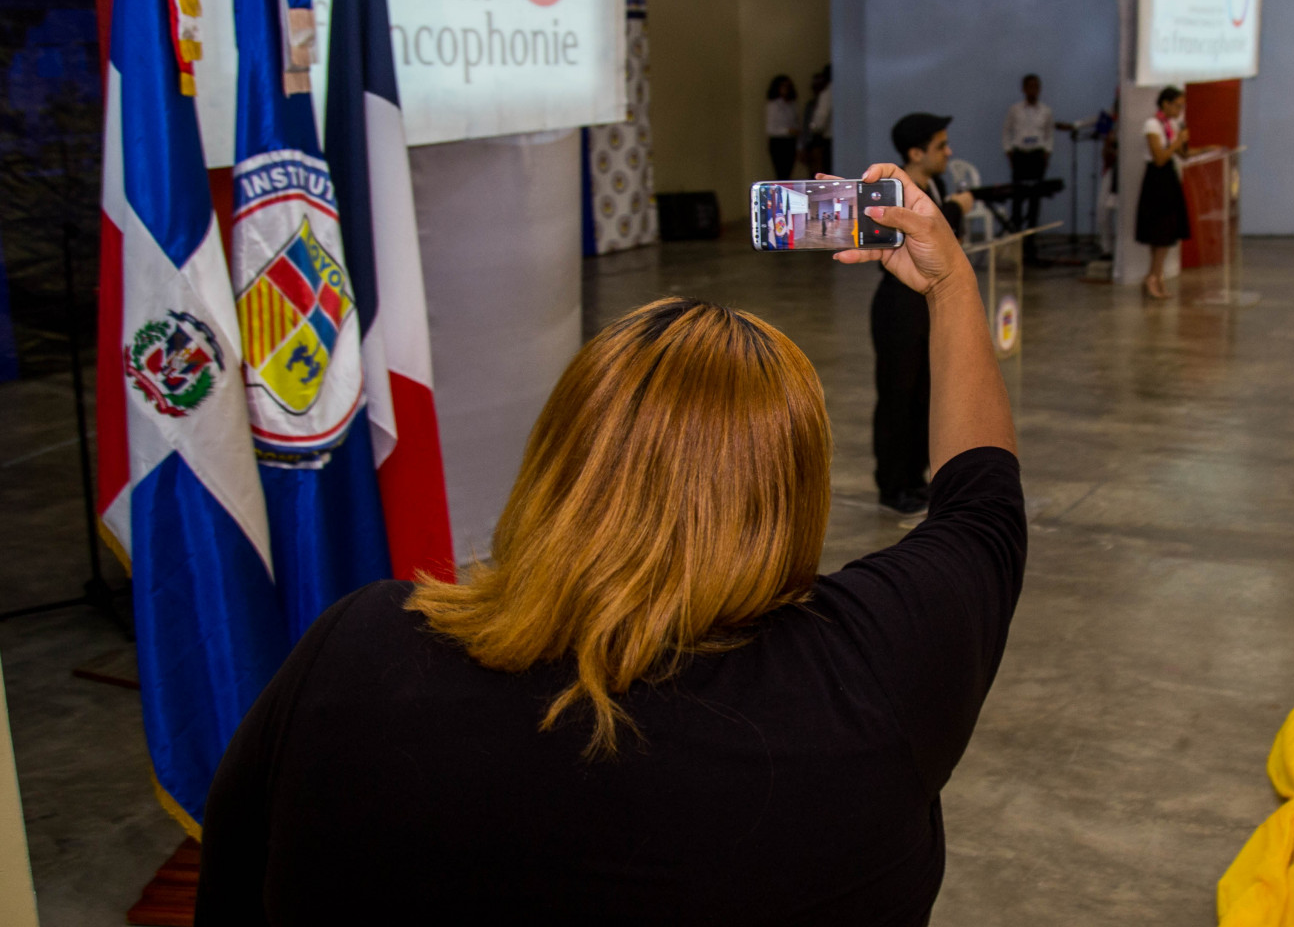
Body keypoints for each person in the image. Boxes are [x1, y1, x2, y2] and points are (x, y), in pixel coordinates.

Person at [194, 179, 1024, 925]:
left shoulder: (355, 654)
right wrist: (950, 284)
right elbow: (982, 507)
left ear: (559, 458)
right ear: (792, 499)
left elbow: (233, 883)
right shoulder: (873, 677)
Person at [870, 113, 973, 516]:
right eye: (940, 146)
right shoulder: (895, 196)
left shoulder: (935, 186)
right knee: (898, 396)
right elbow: (923, 239)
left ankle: (916, 478)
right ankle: (893, 484)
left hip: (926, 301)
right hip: (899, 306)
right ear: (915, 153)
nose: (948, 152)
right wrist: (955, 210)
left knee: (924, 396)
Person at [1137, 85, 1191, 300]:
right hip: (1157, 180)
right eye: (1177, 106)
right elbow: (1159, 157)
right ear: (1165, 104)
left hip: (1169, 177)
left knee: (1166, 231)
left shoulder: (1171, 125)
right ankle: (1153, 276)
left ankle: (1156, 275)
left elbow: (1182, 154)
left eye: (1182, 106)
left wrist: (1207, 149)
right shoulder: (1152, 124)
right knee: (1160, 232)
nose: (1180, 111)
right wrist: (1177, 141)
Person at [1001, 73, 1070, 235]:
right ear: (1024, 89)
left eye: (1036, 87)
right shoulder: (1015, 110)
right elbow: (1006, 131)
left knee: (1035, 199)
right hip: (1020, 155)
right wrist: (1008, 151)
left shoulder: (1046, 111)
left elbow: (1049, 134)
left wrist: (1047, 152)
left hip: (1036, 156)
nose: (1033, 90)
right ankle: (1016, 234)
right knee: (1018, 197)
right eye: (1030, 86)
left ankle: (1031, 239)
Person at [766, 74, 801, 179]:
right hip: (778, 142)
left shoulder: (793, 104)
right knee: (781, 173)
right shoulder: (773, 105)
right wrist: (788, 131)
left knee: (788, 172)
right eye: (783, 86)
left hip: (791, 142)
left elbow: (795, 122)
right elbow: (770, 129)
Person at [804, 64, 833, 176]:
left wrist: (813, 127)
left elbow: (820, 120)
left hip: (829, 140)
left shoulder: (827, 94)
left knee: (828, 173)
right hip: (849, 138)